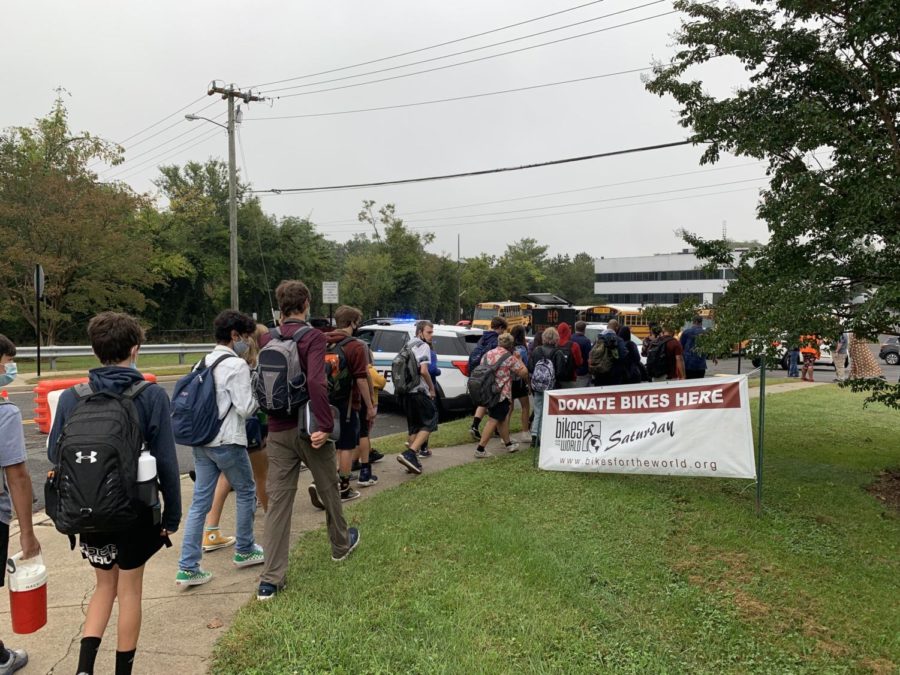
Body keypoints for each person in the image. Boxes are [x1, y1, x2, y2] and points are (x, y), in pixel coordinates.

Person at [47, 312, 181, 675]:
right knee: (130, 590)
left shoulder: (74, 397)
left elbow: (52, 454)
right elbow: (167, 461)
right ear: (135, 349)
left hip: (89, 509)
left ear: (94, 350)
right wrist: (171, 516)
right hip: (134, 509)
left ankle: (84, 670)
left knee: (104, 586)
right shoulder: (150, 395)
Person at [258, 281, 359, 602]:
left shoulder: (266, 338)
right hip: (309, 428)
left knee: (278, 504)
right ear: (306, 303)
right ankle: (341, 546)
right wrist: (325, 424)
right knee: (329, 488)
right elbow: (316, 381)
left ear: (280, 305)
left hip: (276, 430)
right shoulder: (312, 337)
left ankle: (270, 580)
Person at [175, 310, 263, 588]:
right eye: (245, 337)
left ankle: (188, 567)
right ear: (235, 335)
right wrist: (258, 392)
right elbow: (246, 408)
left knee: (200, 501)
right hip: (227, 441)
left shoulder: (202, 362)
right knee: (247, 490)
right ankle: (245, 549)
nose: (247, 342)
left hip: (202, 441)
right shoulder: (236, 366)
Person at [196, 322, 270, 553]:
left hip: (210, 434)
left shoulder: (206, 362)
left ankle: (210, 530)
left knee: (221, 481)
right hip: (243, 431)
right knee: (258, 479)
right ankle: (268, 524)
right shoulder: (245, 365)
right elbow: (247, 407)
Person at [0, 335, 41, 673]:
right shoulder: (6, 413)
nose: (9, 369)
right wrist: (27, 532)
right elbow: (17, 476)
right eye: (6, 363)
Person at [313, 305, 376, 504]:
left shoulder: (320, 341)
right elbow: (361, 379)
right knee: (346, 445)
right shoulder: (355, 346)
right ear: (351, 323)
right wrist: (370, 405)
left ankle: (322, 482)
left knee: (326, 445)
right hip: (347, 405)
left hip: (322, 402)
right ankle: (343, 487)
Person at [474, 333, 529, 458]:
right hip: (501, 393)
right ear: (511, 345)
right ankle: (480, 449)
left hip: (488, 391)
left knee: (502, 418)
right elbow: (524, 373)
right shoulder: (509, 357)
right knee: (493, 420)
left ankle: (508, 443)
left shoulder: (487, 354)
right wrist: (519, 359)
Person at [396, 321, 438, 476]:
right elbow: (424, 370)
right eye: (429, 332)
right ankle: (411, 453)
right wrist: (432, 388)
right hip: (420, 391)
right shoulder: (423, 346)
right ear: (420, 331)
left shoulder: (407, 345)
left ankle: (411, 463)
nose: (431, 335)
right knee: (430, 422)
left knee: (414, 426)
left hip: (407, 393)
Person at [469, 317, 507, 439]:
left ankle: (475, 425)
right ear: (500, 328)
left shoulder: (483, 337)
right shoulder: (496, 341)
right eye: (503, 329)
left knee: (484, 400)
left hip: (480, 373)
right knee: (493, 401)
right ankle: (495, 429)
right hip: (491, 374)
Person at [528, 327, 562, 448]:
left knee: (538, 411)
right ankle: (544, 436)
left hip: (537, 386)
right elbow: (560, 372)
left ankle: (534, 436)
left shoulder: (537, 350)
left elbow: (530, 367)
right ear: (556, 339)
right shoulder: (558, 352)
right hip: (551, 387)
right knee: (548, 412)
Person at [508, 325, 531, 440]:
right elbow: (525, 368)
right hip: (520, 381)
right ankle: (525, 432)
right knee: (525, 406)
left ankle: (505, 435)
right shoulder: (522, 349)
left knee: (509, 408)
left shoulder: (508, 348)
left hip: (508, 381)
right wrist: (529, 383)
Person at [555, 322, 583, 388]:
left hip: (556, 379)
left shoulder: (554, 344)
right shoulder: (574, 345)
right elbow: (579, 363)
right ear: (568, 332)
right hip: (571, 378)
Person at [572, 321, 593, 388]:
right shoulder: (586, 341)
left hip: (571, 371)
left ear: (575, 328)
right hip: (583, 372)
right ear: (584, 329)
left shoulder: (570, 339)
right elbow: (588, 357)